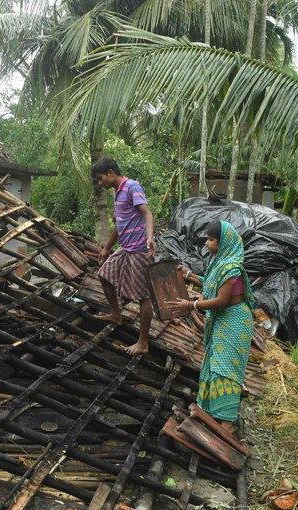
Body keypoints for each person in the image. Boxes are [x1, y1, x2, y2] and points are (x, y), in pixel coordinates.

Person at [167, 220, 254, 433]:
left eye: (211, 239)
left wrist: (190, 304)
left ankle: (226, 422)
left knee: (226, 371)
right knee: (215, 367)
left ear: (223, 242)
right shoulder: (218, 261)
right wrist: (188, 275)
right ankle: (216, 414)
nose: (207, 243)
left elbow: (221, 301)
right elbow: (210, 283)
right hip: (222, 321)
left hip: (234, 322)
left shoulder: (232, 268)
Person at [91, 157, 156, 355]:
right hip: (126, 249)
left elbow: (147, 213)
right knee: (104, 275)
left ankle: (142, 343)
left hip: (140, 250)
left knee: (144, 297)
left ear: (111, 172)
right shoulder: (116, 192)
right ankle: (115, 314)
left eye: (101, 178)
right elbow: (119, 225)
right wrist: (106, 248)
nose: (100, 183)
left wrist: (150, 238)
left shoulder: (132, 187)